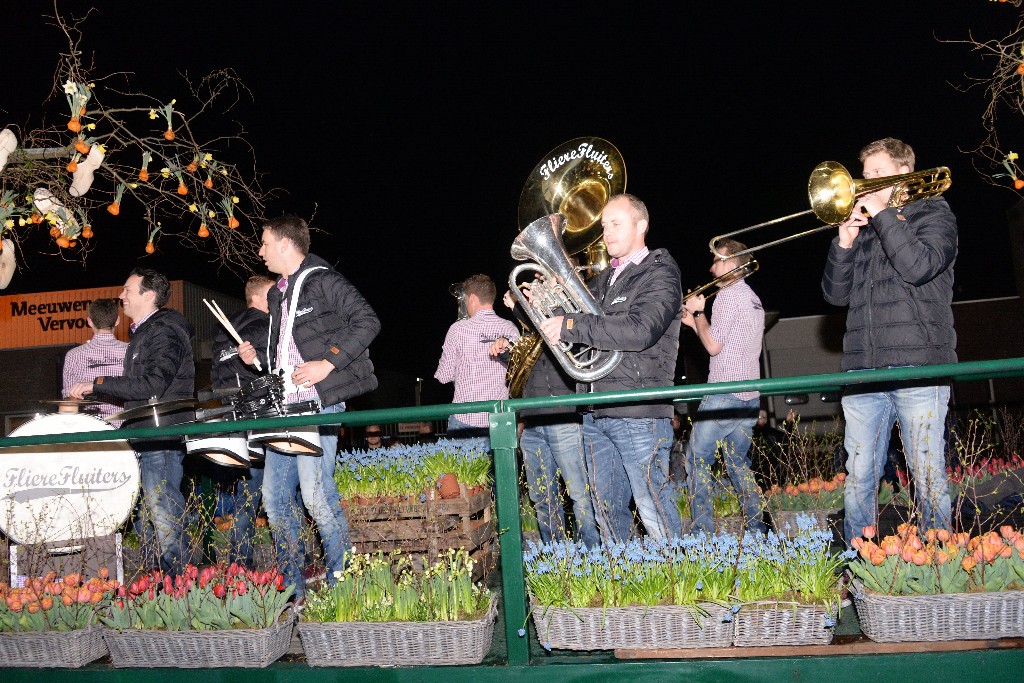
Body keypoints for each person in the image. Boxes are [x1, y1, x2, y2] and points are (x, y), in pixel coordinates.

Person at [821, 137, 957, 543]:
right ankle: (857, 564)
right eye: (865, 175)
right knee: (859, 477)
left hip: (919, 367)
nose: (865, 183)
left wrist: (882, 213)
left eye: (876, 173)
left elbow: (919, 266)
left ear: (904, 172)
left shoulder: (935, 213)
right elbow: (834, 295)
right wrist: (843, 244)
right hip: (863, 370)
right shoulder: (862, 229)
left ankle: (938, 565)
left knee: (926, 474)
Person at [238, 214, 380, 600]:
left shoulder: (323, 280)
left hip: (318, 406)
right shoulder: (276, 294)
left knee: (317, 497)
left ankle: (343, 590)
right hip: (283, 408)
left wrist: (329, 362)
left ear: (286, 244)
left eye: (265, 243)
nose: (260, 251)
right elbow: (283, 355)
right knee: (274, 500)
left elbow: (368, 321)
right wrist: (256, 360)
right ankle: (295, 592)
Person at [538, 193, 683, 543]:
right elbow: (579, 335)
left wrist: (571, 324)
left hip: (638, 409)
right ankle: (623, 588)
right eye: (604, 225)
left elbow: (640, 330)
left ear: (641, 225)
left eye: (616, 223)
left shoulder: (659, 271)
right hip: (594, 410)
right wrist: (546, 304)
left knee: (653, 508)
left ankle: (680, 585)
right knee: (606, 510)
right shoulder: (603, 281)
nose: (607, 232)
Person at [69, 268, 195, 576]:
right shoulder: (143, 332)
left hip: (160, 435)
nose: (121, 296)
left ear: (148, 295)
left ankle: (181, 586)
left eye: (127, 290)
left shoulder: (163, 331)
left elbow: (152, 385)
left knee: (162, 511)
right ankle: (159, 586)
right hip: (145, 434)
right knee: (148, 516)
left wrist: (96, 383)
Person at [499, 291, 599, 548]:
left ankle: (595, 556)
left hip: (563, 418)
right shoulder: (530, 329)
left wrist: (519, 308)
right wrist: (505, 353)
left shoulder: (568, 314)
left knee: (579, 495)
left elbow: (551, 336)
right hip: (532, 423)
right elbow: (525, 370)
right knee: (543, 498)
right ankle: (557, 560)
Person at [682, 239, 767, 535]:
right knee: (738, 465)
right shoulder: (752, 297)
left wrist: (698, 312)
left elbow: (714, 346)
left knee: (696, 460)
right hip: (748, 397)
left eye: (716, 261)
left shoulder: (728, 296)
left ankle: (701, 536)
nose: (711, 267)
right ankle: (757, 530)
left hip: (724, 394)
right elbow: (723, 341)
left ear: (732, 264)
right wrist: (694, 323)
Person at [210, 274, 277, 568]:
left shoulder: (224, 331)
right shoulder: (265, 325)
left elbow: (217, 376)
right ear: (260, 297)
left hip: (230, 420)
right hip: (261, 420)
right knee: (273, 498)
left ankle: (239, 567)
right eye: (274, 295)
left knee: (243, 500)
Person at [434, 274, 519, 449]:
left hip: (464, 419)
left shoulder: (458, 329)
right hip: (499, 420)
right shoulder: (510, 328)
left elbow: (444, 376)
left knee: (461, 475)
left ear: (472, 298)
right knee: (498, 475)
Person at [61, 297, 128, 423]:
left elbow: (69, 400)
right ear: (117, 320)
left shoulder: (73, 355)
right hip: (125, 428)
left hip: (90, 429)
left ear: (89, 321)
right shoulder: (131, 352)